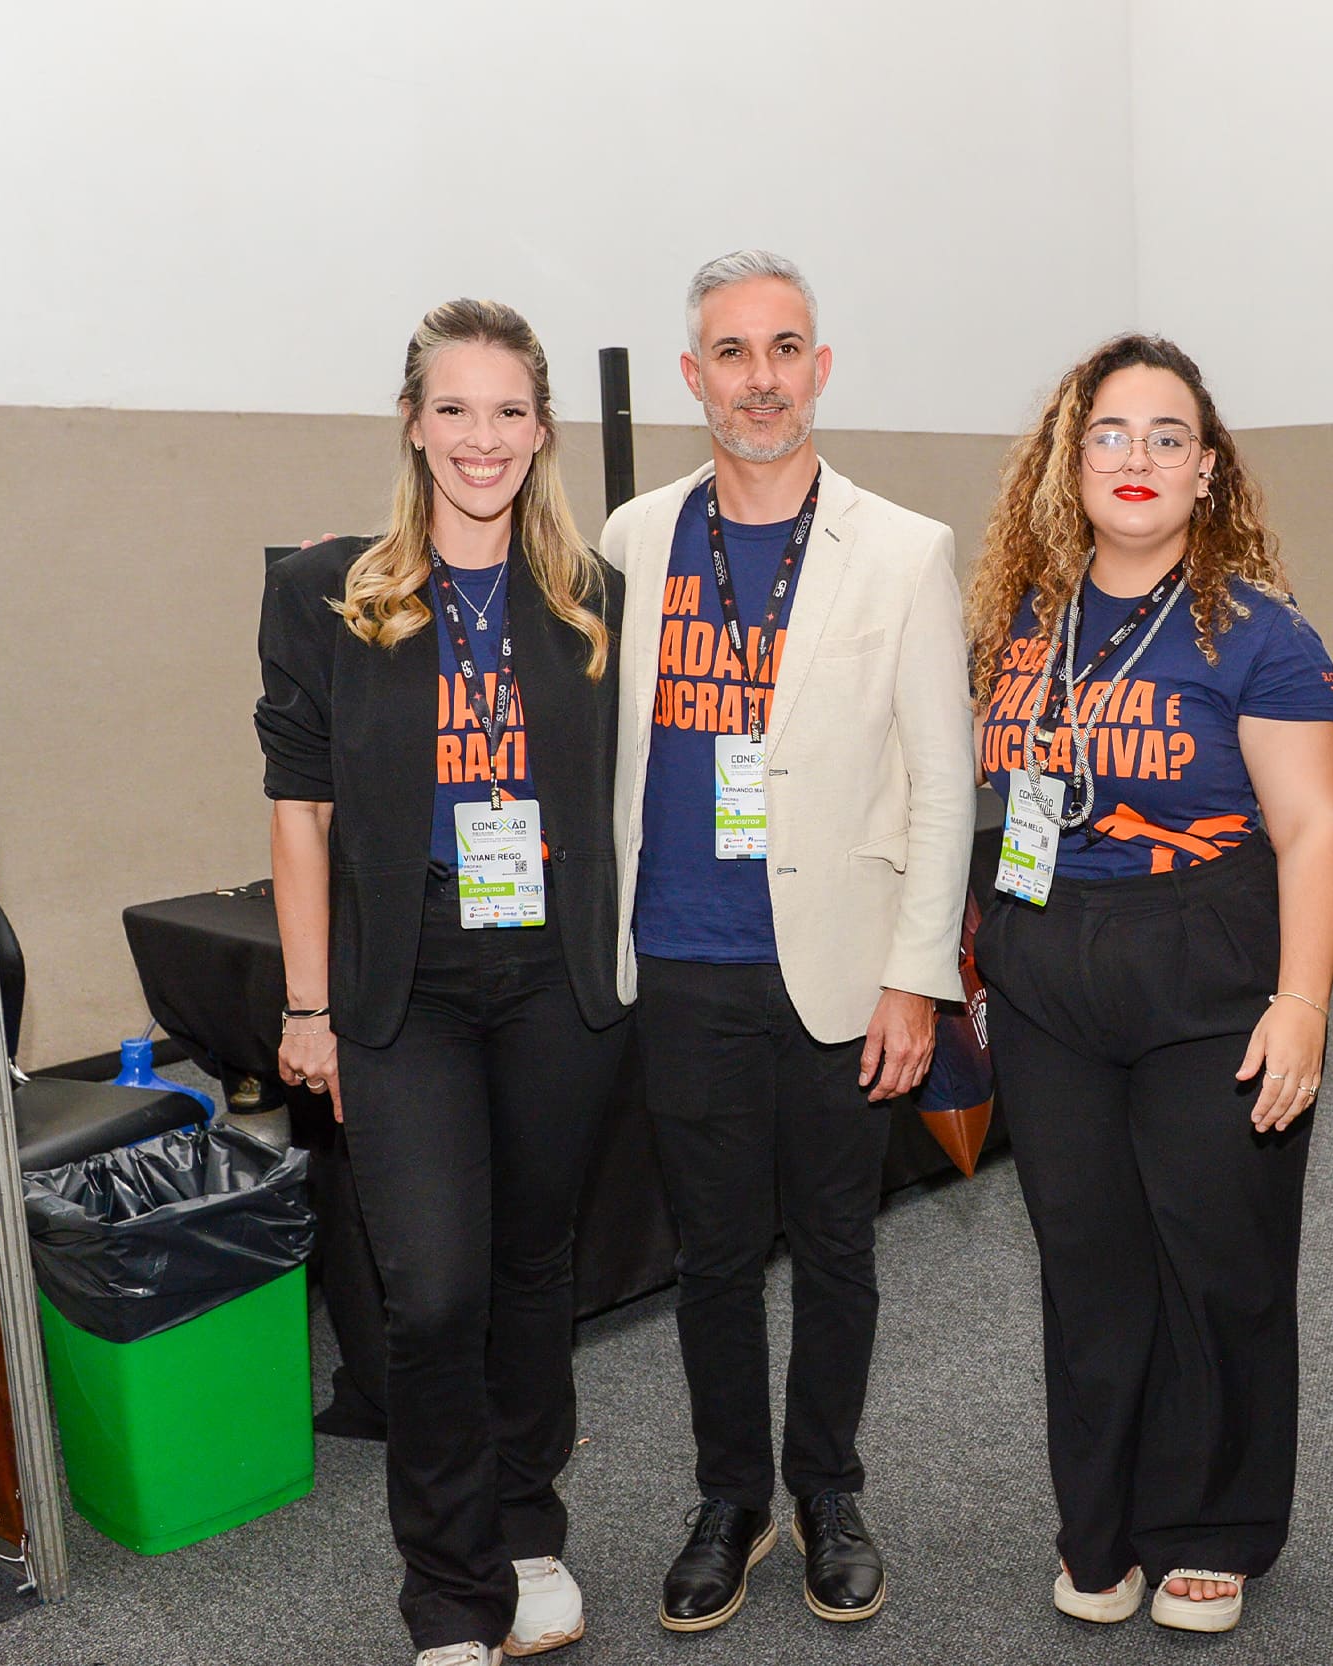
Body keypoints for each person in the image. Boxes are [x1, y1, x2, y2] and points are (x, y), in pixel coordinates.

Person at [603, 249, 972, 1632]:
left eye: (783, 349)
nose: (759, 379)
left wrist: (916, 976)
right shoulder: (633, 540)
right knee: (708, 1258)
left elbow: (944, 781)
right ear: (692, 376)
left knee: (834, 1250)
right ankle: (731, 1498)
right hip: (681, 958)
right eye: (731, 352)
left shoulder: (905, 549)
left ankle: (828, 1488)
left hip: (840, 964)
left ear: (820, 369)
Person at [255, 299, 627, 1666]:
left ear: (542, 430)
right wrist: (307, 1005)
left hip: (552, 972)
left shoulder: (593, 600)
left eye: (509, 410)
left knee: (533, 1269)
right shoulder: (327, 592)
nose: (483, 437)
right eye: (455, 408)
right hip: (403, 976)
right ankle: (450, 1587)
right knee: (432, 1291)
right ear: (413, 424)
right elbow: (301, 813)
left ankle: (526, 1530)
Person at [966, 334, 1333, 1634]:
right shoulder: (1017, 623)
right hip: (1047, 971)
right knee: (1087, 1259)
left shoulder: (1261, 635)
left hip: (1209, 968)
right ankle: (1103, 1524)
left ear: (1207, 470)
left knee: (1216, 1253)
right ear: (1068, 462)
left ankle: (1213, 1523)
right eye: (1111, 434)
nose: (1138, 458)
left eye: (1168, 436)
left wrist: (1302, 1002)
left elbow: (1313, 829)